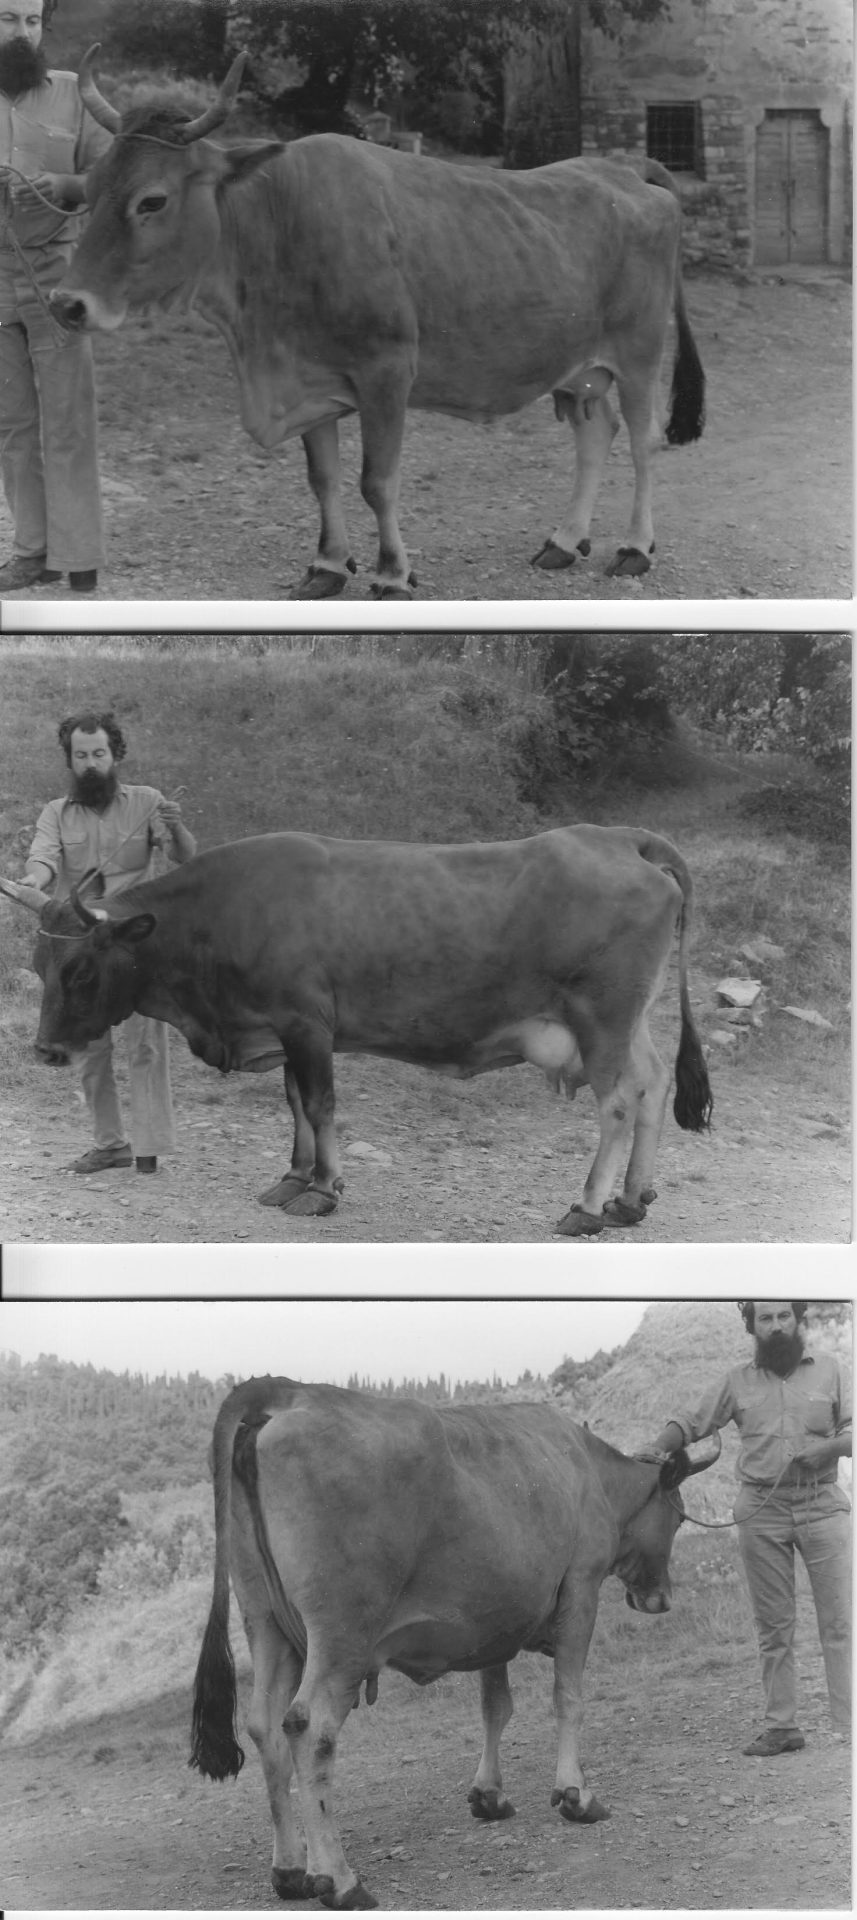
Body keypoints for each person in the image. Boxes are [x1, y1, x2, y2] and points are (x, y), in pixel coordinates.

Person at [641, 1301, 851, 1755]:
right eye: (765, 1319)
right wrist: (656, 1448)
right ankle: (782, 1727)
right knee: (773, 1625)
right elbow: (692, 1421)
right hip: (761, 1510)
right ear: (752, 1326)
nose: (775, 1327)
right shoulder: (737, 1381)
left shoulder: (833, 1371)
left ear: (799, 1320)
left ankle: (850, 1727)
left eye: (783, 1317)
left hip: (823, 1505)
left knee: (840, 1622)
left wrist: (827, 1448)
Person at [24, 709, 197, 1174]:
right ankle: (110, 1143)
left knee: (146, 1044)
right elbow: (42, 862)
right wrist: (30, 882)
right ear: (71, 760)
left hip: (133, 945)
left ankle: (148, 1147)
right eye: (81, 755)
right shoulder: (55, 813)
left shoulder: (147, 802)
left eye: (99, 753)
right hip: (80, 949)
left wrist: (176, 826)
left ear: (114, 754)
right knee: (88, 1044)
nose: (91, 763)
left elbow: (183, 857)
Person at [0, 0, 113, 593]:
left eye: (32, 20)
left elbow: (110, 178)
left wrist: (66, 185)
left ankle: (80, 556)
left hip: (58, 278)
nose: (22, 32)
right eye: (7, 18)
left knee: (69, 420)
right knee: (12, 424)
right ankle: (32, 552)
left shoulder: (75, 94)